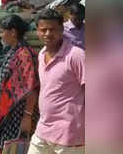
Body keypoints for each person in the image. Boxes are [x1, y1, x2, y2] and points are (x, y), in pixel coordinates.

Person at [27, 9, 85, 154]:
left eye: (52, 29)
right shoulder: (41, 54)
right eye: (43, 29)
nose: (47, 34)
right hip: (43, 130)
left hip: (69, 135)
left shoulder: (76, 56)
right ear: (37, 31)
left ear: (61, 30)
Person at [0, 14, 40, 154]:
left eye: (2, 31)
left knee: (13, 148)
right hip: (8, 110)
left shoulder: (25, 54)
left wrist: (27, 116)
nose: (0, 35)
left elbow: (32, 88)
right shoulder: (13, 50)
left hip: (18, 114)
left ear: (13, 32)